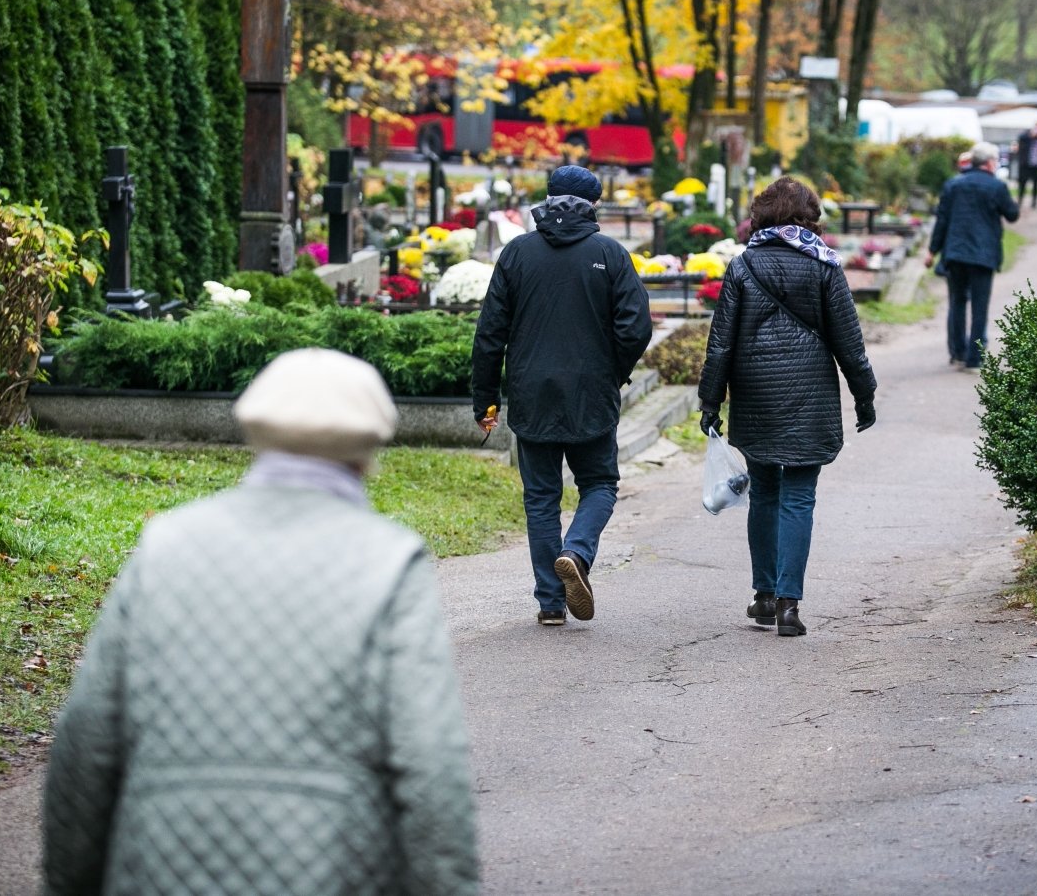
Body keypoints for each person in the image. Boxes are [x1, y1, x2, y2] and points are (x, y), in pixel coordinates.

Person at [41, 348, 479, 896]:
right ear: (370, 451)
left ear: (255, 435)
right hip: (337, 867)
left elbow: (85, 743)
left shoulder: (166, 544)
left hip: (159, 865)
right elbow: (429, 762)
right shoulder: (390, 562)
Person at [697, 176, 877, 638]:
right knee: (799, 496)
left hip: (756, 391)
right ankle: (790, 605)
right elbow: (848, 341)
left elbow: (720, 344)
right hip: (809, 391)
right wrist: (864, 394)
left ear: (762, 215)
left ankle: (762, 594)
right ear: (808, 217)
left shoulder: (743, 266)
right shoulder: (824, 266)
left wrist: (710, 401)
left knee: (764, 490)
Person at [472, 165, 652, 626]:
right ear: (593, 205)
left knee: (541, 497)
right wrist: (613, 371)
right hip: (592, 392)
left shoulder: (517, 254)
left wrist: (485, 400)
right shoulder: (610, 254)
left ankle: (551, 602)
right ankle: (577, 551)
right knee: (599, 483)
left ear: (547, 199)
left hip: (532, 392)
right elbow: (635, 327)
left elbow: (490, 333)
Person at [925, 141, 1021, 370]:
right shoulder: (996, 186)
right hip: (983, 254)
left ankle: (957, 351)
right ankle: (974, 357)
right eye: (996, 161)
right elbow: (1013, 214)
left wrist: (932, 250)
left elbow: (942, 220)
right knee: (980, 305)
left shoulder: (953, 185)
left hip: (955, 253)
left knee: (957, 302)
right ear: (989, 163)